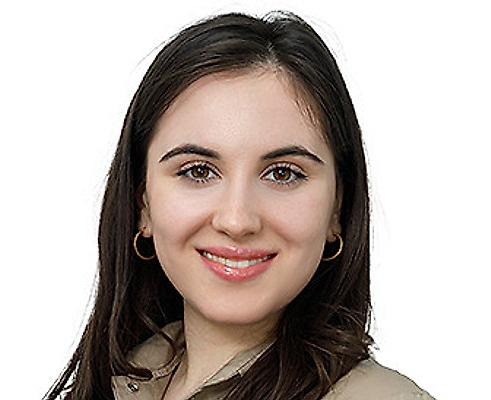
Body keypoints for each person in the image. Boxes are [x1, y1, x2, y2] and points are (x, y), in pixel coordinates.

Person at [45, 11, 435, 400]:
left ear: (337, 209)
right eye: (198, 171)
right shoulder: (113, 382)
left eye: (283, 174)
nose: (236, 220)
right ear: (142, 202)